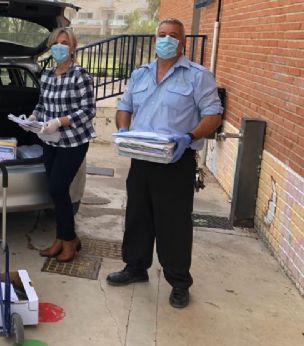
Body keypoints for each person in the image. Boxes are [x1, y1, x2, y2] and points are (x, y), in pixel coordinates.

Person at [106, 18, 223, 309]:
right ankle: (135, 268)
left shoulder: (198, 76)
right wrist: (123, 130)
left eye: (173, 36)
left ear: (183, 43)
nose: (167, 39)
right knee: (137, 216)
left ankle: (179, 282)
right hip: (141, 158)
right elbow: (125, 107)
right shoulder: (140, 74)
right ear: (155, 39)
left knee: (174, 224)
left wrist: (189, 136)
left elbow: (213, 115)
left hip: (175, 160)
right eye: (162, 35)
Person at [27, 27, 96, 263]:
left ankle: (69, 241)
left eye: (64, 43)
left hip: (74, 141)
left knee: (58, 188)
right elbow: (41, 104)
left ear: (73, 48)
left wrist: (60, 121)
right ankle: (62, 238)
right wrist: (33, 118)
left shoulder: (80, 75)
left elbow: (88, 111)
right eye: (56, 43)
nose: (59, 47)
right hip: (51, 140)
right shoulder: (47, 75)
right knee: (56, 192)